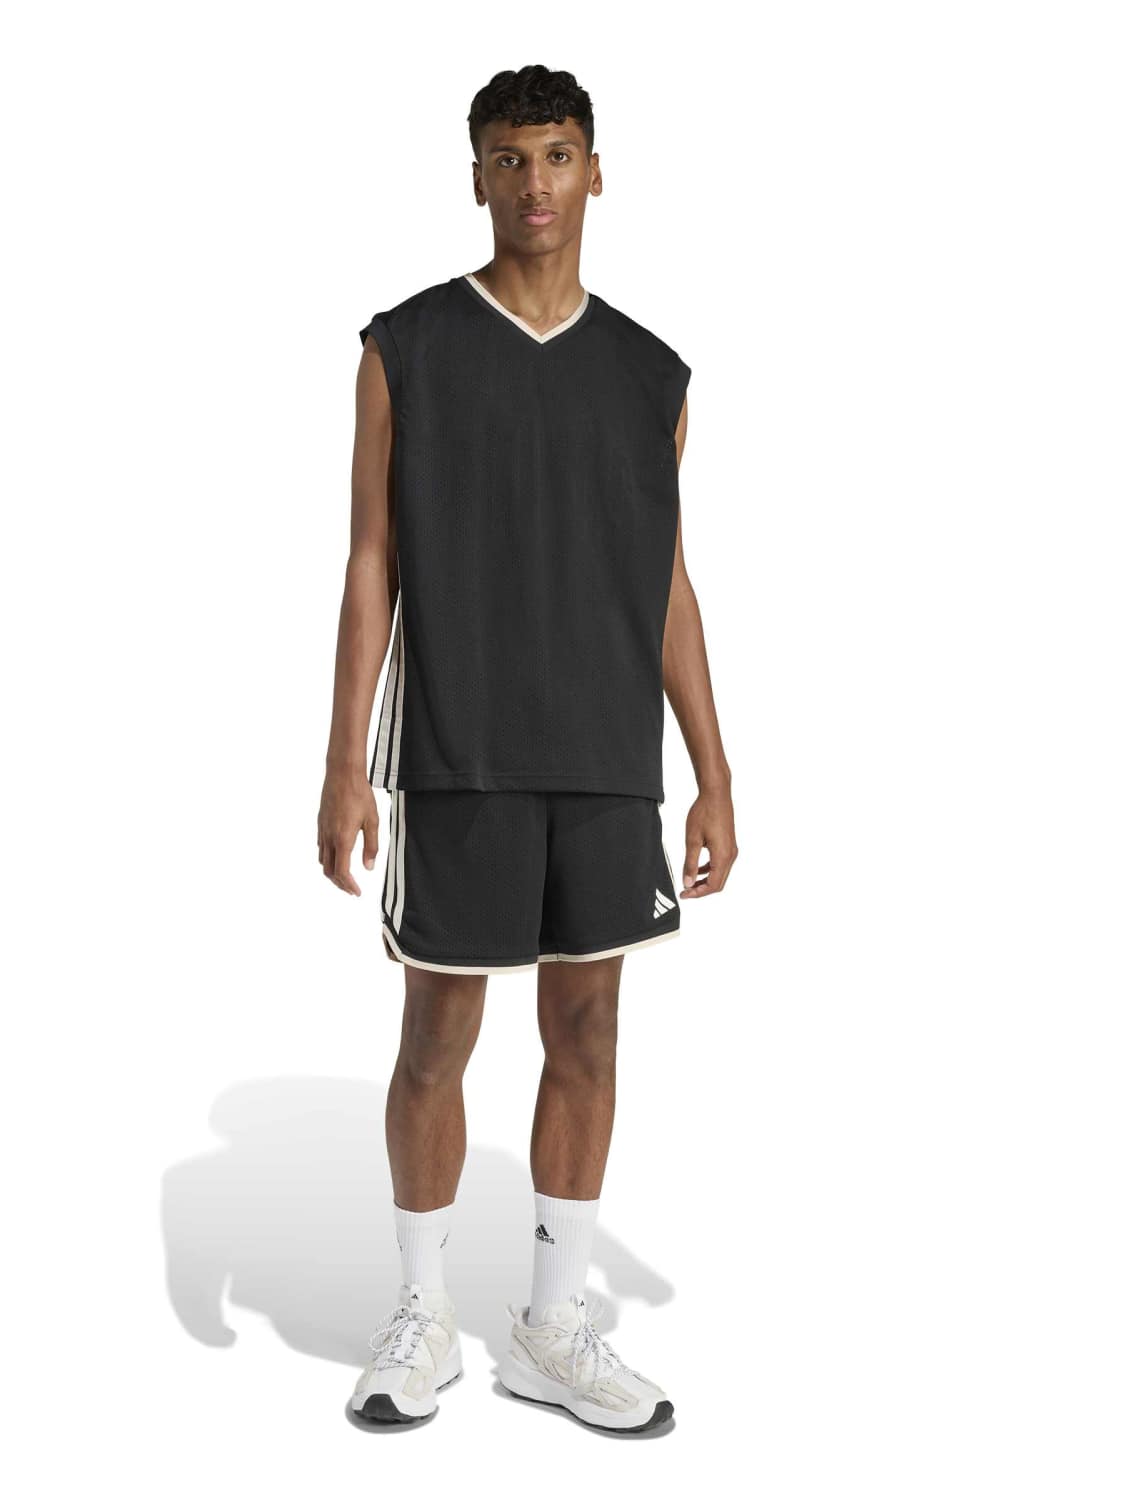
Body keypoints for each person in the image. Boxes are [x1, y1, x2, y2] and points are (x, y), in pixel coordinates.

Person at [320, 64, 736, 1432]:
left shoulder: (653, 375)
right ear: (477, 178)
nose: (535, 182)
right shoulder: (407, 348)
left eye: (557, 155)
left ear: (595, 172)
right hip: (460, 751)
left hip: (606, 755)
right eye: (509, 158)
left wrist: (715, 770)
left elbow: (667, 583)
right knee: (438, 1032)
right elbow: (371, 562)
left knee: (590, 1029)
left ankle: (555, 1325)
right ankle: (422, 1315)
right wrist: (341, 761)